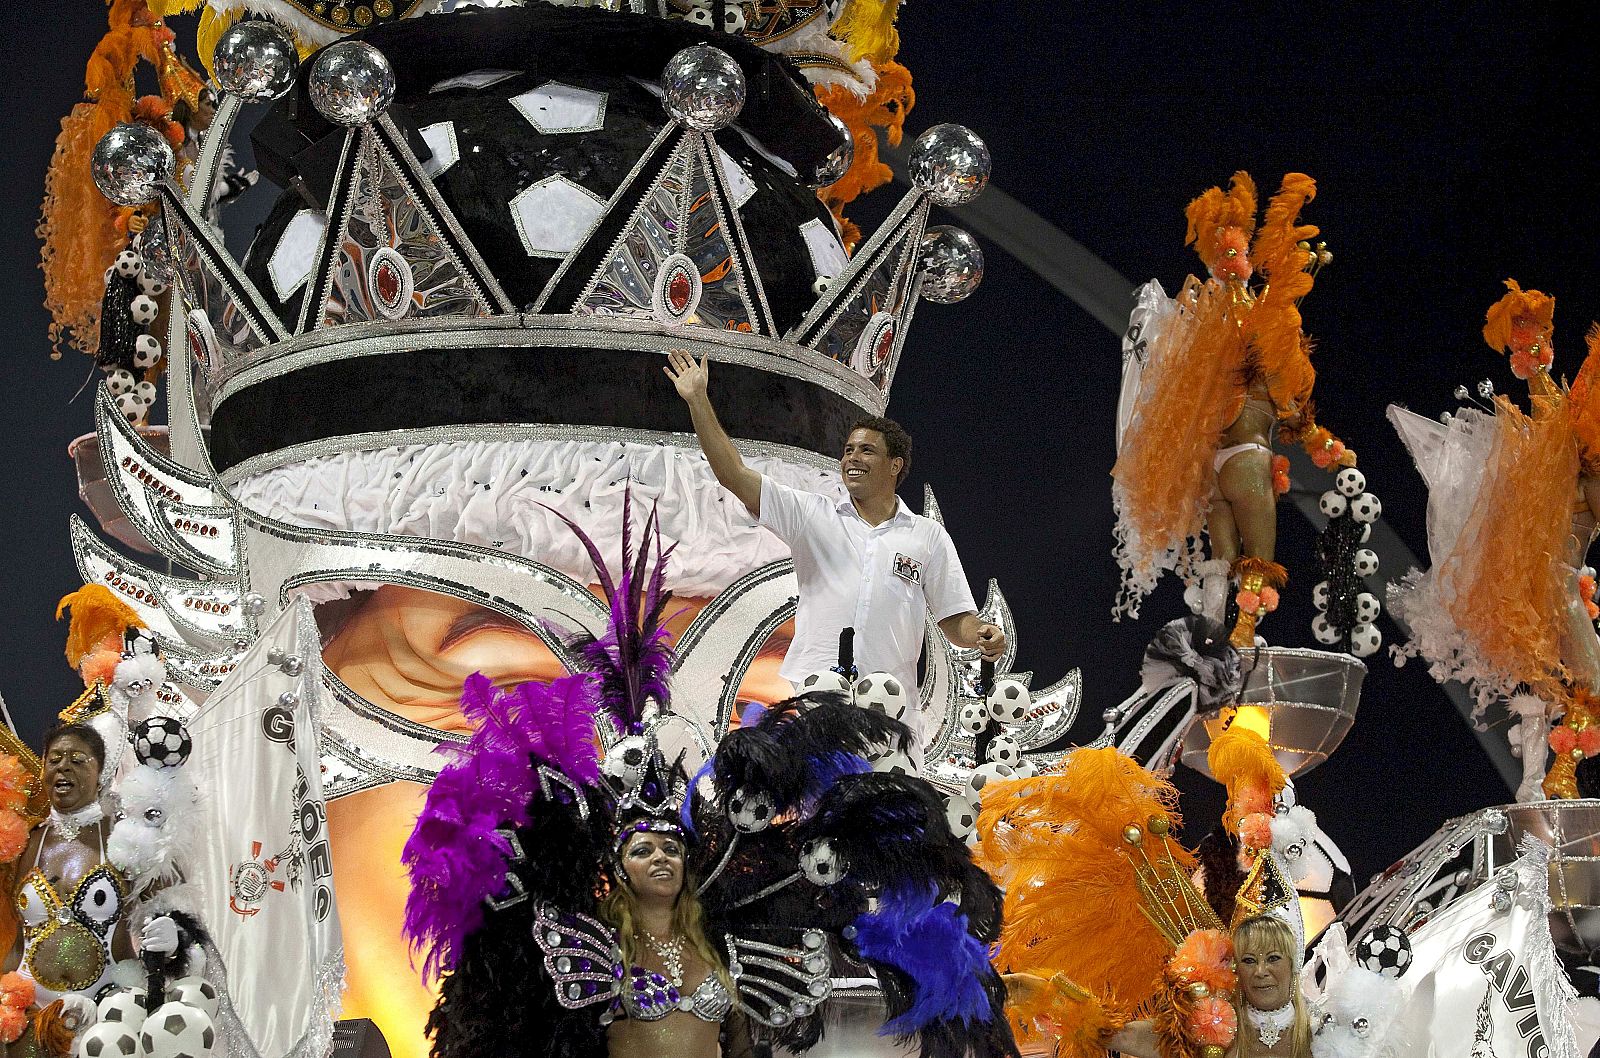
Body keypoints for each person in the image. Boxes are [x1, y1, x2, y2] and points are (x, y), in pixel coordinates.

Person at [664, 349, 1005, 747]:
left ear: (895, 466)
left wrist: (980, 632)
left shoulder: (926, 536)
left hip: (892, 716)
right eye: (848, 450)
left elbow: (955, 620)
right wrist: (698, 400)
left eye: (866, 451)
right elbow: (733, 475)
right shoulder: (813, 515)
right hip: (815, 705)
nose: (852, 458)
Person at [1, 724, 180, 1054]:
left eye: (77, 759)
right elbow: (16, 941)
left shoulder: (126, 839)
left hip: (107, 1019)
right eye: (54, 759)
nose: (63, 767)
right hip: (30, 1021)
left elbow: (176, 910)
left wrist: (174, 937)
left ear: (101, 773)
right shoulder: (25, 843)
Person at [1107, 915, 1312, 1058]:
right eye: (1249, 960)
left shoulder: (1324, 1030)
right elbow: (1137, 1037)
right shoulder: (1213, 1026)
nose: (1260, 971)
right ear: (1236, 969)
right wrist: (1090, 1022)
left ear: (1293, 965)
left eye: (1273, 958)